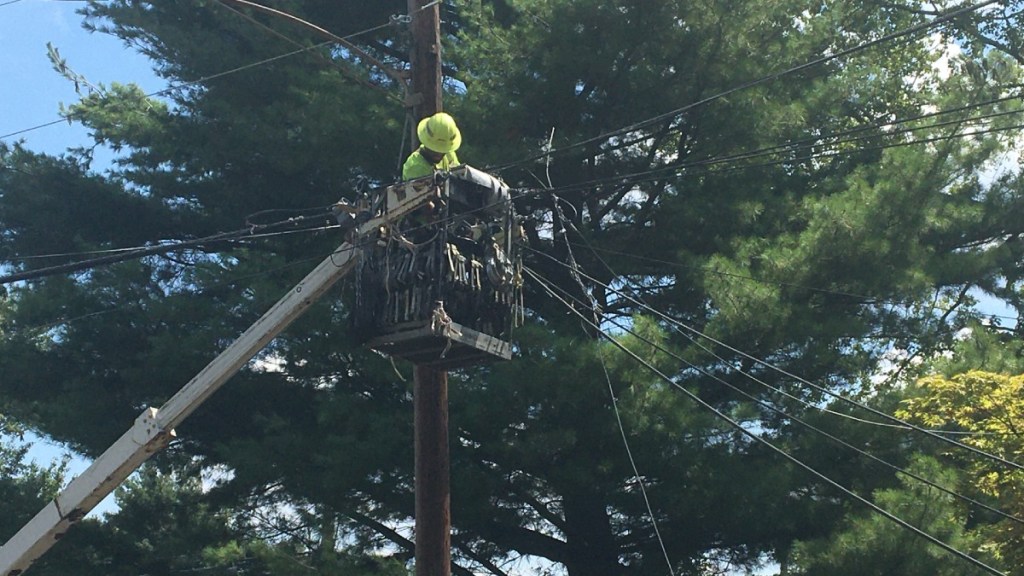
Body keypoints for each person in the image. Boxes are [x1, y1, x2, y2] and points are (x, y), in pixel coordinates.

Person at [402, 112, 462, 181]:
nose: (439, 154)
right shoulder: (414, 167)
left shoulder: (449, 154)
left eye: (442, 150)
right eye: (435, 149)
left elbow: (460, 176)